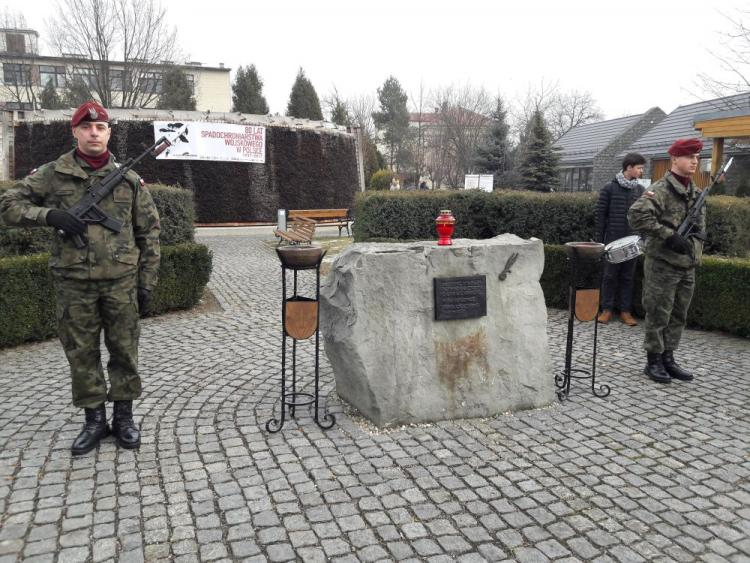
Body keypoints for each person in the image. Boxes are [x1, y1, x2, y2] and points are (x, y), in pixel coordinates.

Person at [0, 101, 161, 454]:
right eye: (86, 127)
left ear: (108, 133)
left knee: (124, 353)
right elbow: (8, 206)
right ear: (74, 131)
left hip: (121, 283)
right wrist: (50, 215)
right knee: (82, 355)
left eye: (100, 127)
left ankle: (123, 419)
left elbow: (148, 234)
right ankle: (94, 421)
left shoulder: (130, 179)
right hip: (74, 284)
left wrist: (146, 284)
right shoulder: (52, 174)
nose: (93, 133)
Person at [627, 138, 705, 384]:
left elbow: (701, 229)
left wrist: (695, 253)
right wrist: (668, 235)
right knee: (659, 313)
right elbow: (636, 214)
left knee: (678, 315)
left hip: (686, 264)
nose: (694, 162)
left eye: (696, 158)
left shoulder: (696, 191)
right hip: (663, 264)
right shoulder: (660, 189)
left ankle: (669, 359)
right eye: (688, 157)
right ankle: (653, 361)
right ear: (674, 159)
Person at [595, 153, 646, 326]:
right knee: (609, 276)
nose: (641, 171)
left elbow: (643, 216)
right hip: (611, 240)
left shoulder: (639, 190)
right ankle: (606, 310)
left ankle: (625, 311)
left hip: (633, 242)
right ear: (629, 167)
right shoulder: (609, 188)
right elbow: (600, 216)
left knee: (628, 277)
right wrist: (598, 242)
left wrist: (643, 238)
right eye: (639, 167)